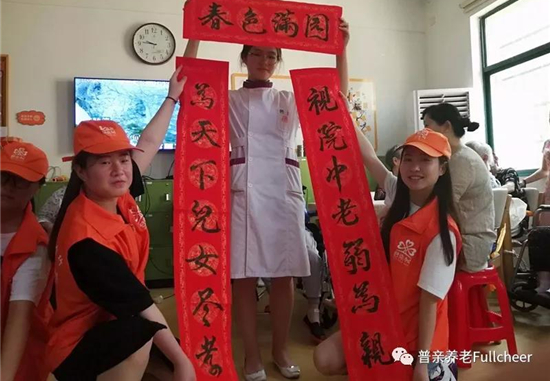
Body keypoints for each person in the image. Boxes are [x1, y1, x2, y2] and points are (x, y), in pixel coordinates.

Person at [183, 19, 350, 380]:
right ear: (244, 58)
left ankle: (280, 350)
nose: (264, 60)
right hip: (244, 192)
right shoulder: (229, 100)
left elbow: (336, 98)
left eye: (271, 55)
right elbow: (188, 85)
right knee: (244, 277)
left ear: (278, 61)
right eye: (257, 54)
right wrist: (195, 33)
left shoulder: (289, 99)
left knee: (284, 274)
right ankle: (252, 355)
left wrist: (341, 50)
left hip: (284, 192)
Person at [45, 68, 196, 381]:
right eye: (104, 161)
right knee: (145, 335)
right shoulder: (86, 240)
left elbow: (149, 141)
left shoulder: (118, 195)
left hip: (116, 321)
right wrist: (181, 363)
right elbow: (140, 304)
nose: (119, 170)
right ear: (81, 171)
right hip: (76, 345)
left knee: (160, 343)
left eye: (124, 159)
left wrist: (172, 97)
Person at [314, 128, 461, 381]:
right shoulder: (398, 195)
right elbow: (370, 158)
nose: (415, 168)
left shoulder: (441, 233)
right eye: (408, 159)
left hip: (419, 343)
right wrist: (344, 115)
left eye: (425, 160)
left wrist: (421, 366)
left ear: (442, 168)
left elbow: (429, 304)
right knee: (324, 357)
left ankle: (432, 370)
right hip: (385, 325)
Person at [422, 103, 495, 273]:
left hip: (470, 245)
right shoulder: (452, 157)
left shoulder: (462, 160)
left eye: (427, 126)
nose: (424, 132)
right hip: (456, 237)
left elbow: (441, 204)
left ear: (446, 126)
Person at [1, 139, 52, 381]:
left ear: (38, 187)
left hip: (17, 358)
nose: (7, 186)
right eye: (3, 176)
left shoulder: (35, 246)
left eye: (20, 180)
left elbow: (19, 319)